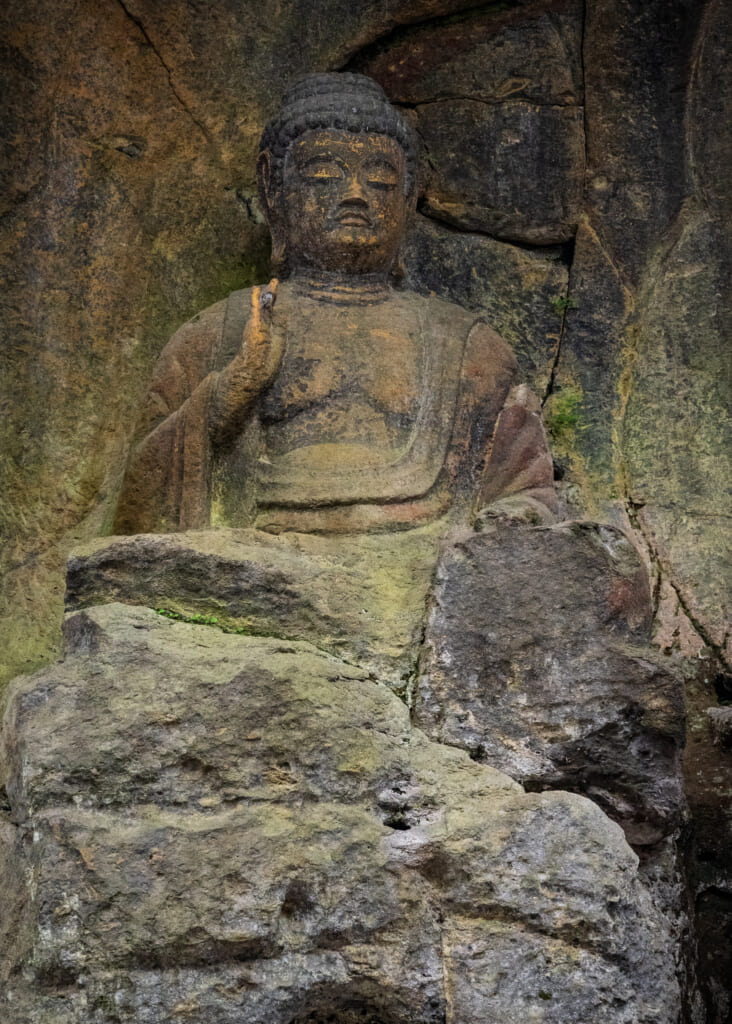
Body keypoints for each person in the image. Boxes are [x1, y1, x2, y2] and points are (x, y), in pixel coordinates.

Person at [114, 73, 555, 536]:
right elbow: (139, 503)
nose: (355, 196)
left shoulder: (468, 348)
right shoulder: (217, 336)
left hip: (424, 556)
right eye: (324, 175)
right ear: (273, 189)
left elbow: (529, 492)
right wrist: (232, 391)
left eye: (381, 181)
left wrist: (514, 520)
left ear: (408, 198)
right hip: (254, 555)